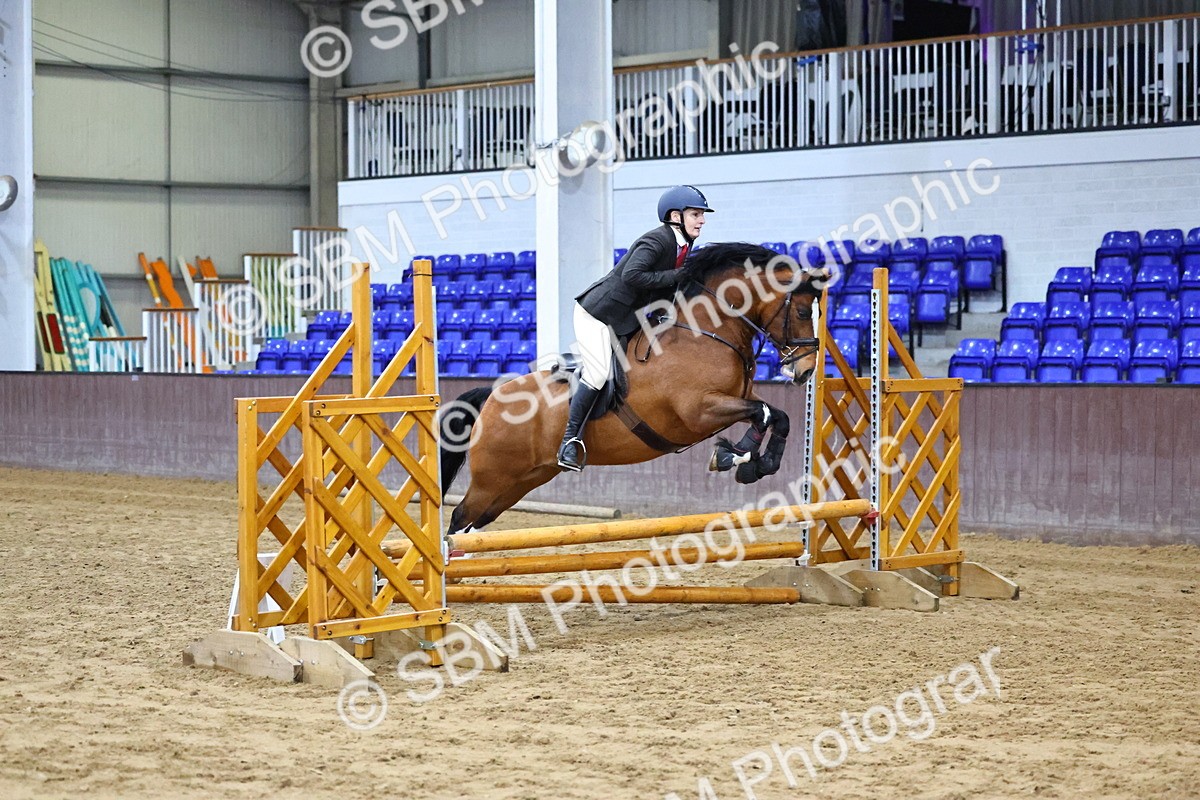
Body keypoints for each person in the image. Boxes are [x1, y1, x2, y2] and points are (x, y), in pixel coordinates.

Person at [556, 185, 714, 472]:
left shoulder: (684, 245)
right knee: (599, 372)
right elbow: (633, 275)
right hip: (598, 314)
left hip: (628, 317)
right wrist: (680, 275)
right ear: (675, 216)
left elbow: (668, 286)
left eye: (702, 215)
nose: (701, 220)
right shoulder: (656, 240)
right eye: (696, 214)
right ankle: (570, 441)